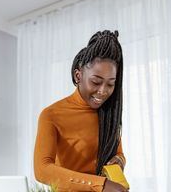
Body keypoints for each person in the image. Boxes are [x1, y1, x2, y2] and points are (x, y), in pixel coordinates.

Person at [34, 30, 128, 192]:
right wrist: (100, 185)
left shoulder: (108, 114)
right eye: (96, 82)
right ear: (78, 76)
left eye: (110, 84)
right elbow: (42, 169)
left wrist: (119, 161)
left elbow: (119, 153)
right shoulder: (51, 115)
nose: (103, 91)